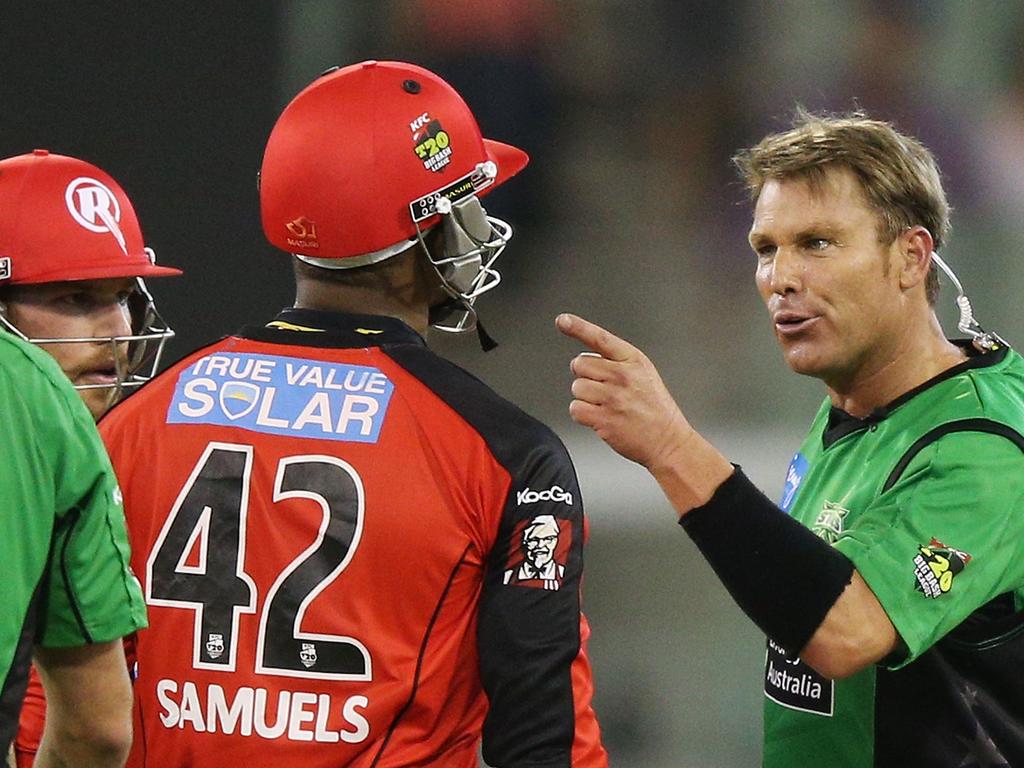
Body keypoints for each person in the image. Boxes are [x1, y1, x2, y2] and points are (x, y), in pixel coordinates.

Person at [97, 60, 607, 767]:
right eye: (462, 205)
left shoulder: (131, 425)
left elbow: (59, 692)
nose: (477, 226)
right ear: (422, 235)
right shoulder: (502, 454)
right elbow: (544, 740)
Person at [557, 110, 1024, 767]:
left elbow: (845, 634)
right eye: (765, 249)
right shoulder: (856, 404)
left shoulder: (982, 445)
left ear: (911, 257)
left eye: (818, 243)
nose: (781, 277)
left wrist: (670, 447)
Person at [0, 149, 180, 766]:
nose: (117, 330)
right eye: (76, 298)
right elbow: (96, 731)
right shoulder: (55, 421)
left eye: (123, 295)